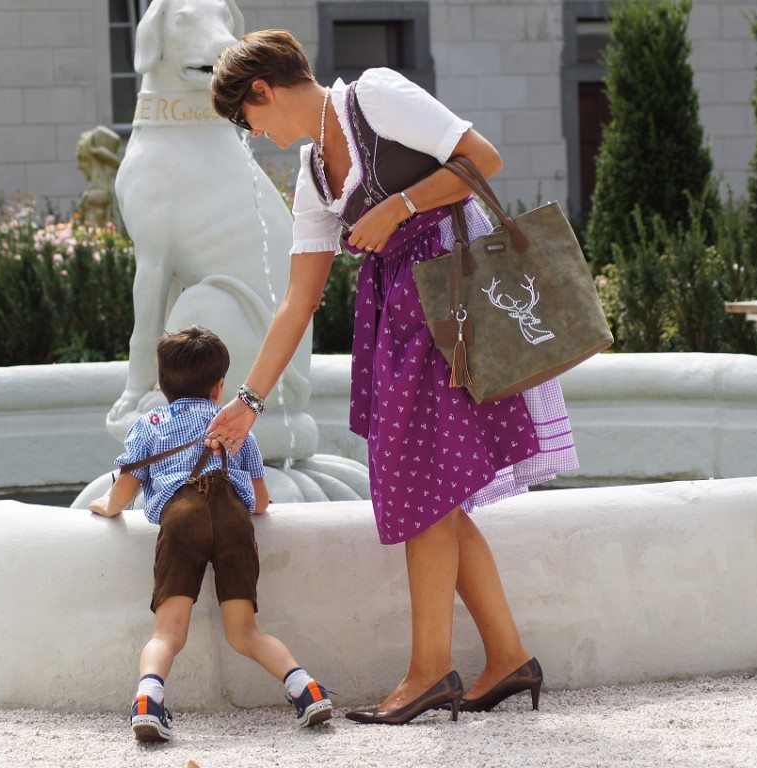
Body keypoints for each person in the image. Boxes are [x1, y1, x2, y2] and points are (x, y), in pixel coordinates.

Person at [206, 30, 578, 723]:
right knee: (429, 488)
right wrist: (250, 402)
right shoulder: (315, 176)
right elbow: (298, 301)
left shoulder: (374, 96)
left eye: (251, 121)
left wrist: (400, 206)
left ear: (263, 90)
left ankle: (430, 671)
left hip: (453, 305)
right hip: (399, 328)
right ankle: (506, 658)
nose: (260, 136)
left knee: (426, 488)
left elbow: (482, 158)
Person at [89, 325, 334, 742]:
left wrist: (103, 506)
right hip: (231, 519)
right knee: (245, 632)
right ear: (220, 387)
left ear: (161, 385)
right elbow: (259, 502)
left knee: (167, 633)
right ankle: (305, 689)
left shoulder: (148, 424)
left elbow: (121, 495)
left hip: (180, 519)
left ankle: (148, 701)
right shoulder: (236, 426)